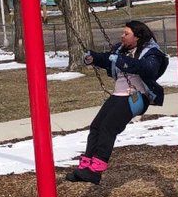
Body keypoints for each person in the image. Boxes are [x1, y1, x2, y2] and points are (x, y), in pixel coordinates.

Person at [66, 20, 169, 185]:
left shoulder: (151, 53)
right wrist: (93, 57)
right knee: (96, 127)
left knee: (109, 127)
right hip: (118, 95)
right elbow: (108, 59)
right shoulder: (120, 50)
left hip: (137, 96)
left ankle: (96, 169)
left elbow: (148, 68)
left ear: (138, 36)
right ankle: (86, 166)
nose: (122, 36)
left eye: (126, 33)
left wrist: (121, 61)